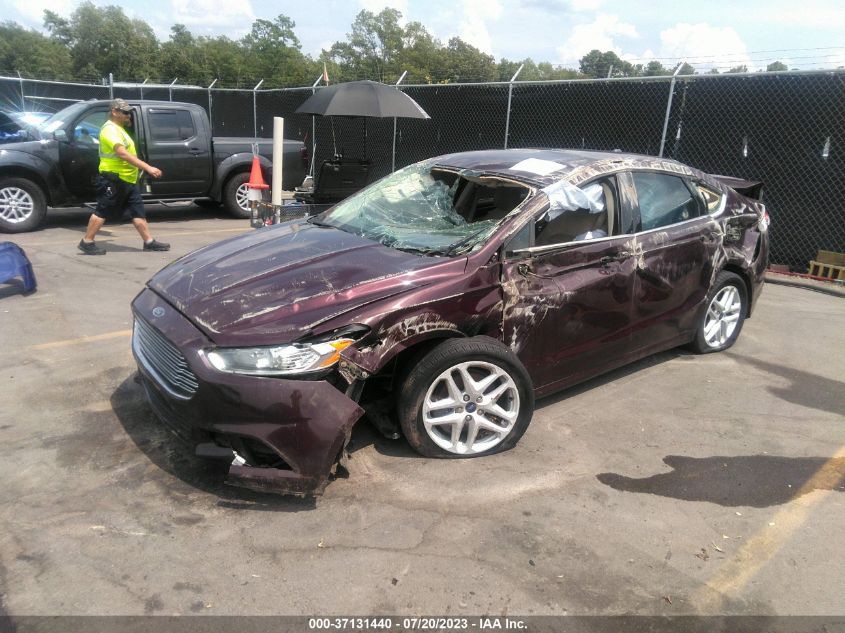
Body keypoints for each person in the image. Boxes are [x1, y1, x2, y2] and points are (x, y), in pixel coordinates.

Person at [78, 98, 169, 255]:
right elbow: (122, 153)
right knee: (103, 209)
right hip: (113, 179)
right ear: (114, 112)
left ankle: (149, 242)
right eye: (125, 112)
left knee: (137, 211)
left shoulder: (119, 129)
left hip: (127, 180)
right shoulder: (109, 129)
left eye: (129, 113)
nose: (128, 116)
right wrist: (147, 167)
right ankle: (87, 242)